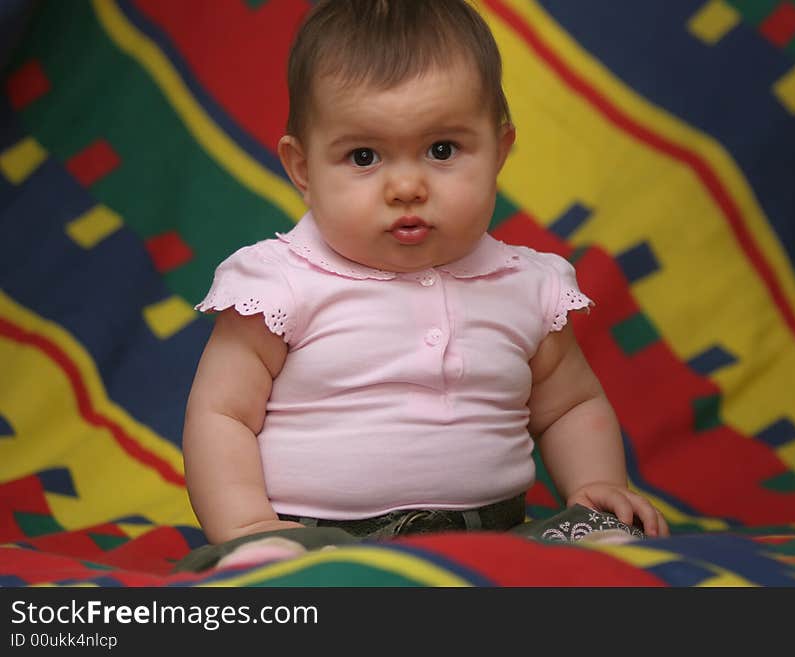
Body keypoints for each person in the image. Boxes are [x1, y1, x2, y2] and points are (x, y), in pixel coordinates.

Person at [177, 0, 669, 572]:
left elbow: (569, 406)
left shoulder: (525, 285)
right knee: (294, 570)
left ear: (499, 152)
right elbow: (222, 414)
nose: (407, 186)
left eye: (442, 150)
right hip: (318, 535)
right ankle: (270, 550)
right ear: (304, 169)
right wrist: (246, 525)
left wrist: (598, 481)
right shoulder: (282, 283)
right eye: (364, 156)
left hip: (496, 531)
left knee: (598, 545)